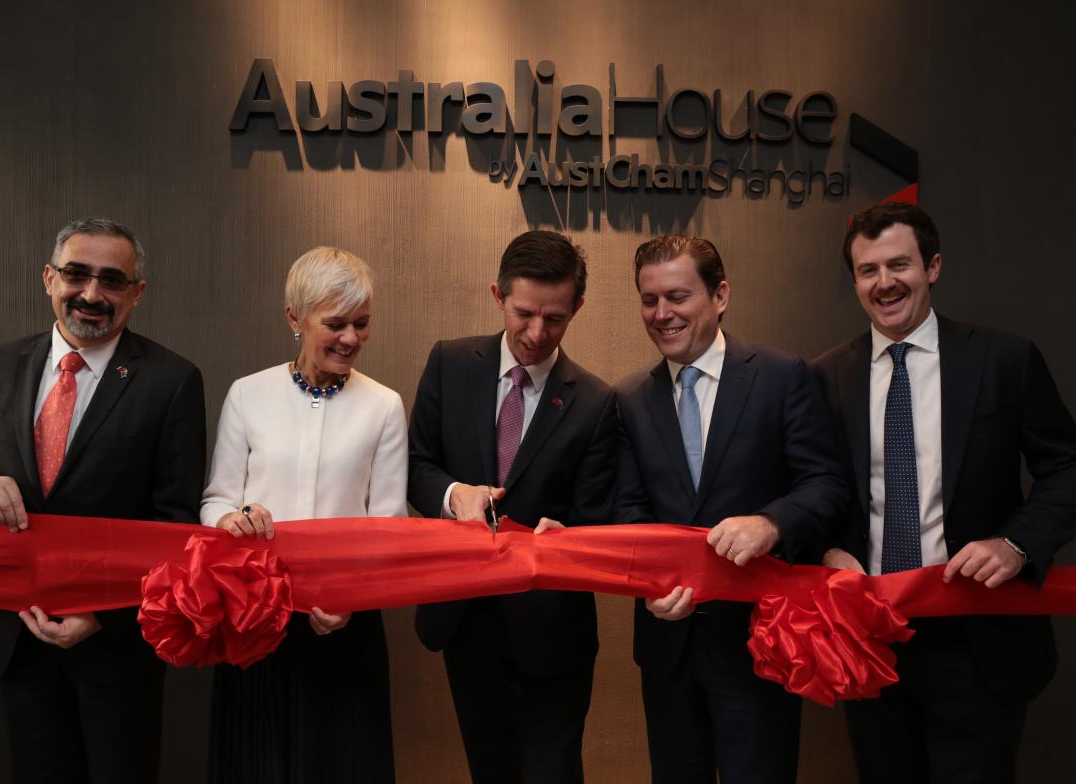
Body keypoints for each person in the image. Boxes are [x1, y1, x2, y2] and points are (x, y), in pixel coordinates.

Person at [812, 202, 1076, 783]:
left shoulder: (1004, 360)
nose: (884, 283)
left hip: (978, 641)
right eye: (867, 270)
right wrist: (828, 550)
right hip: (871, 639)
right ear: (855, 281)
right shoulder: (827, 376)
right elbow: (816, 489)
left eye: (899, 264)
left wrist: (1016, 543)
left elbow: (1066, 469)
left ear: (933, 266)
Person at [0, 216, 207, 784]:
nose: (91, 294)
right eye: (76, 274)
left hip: (117, 648)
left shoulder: (173, 380)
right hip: (20, 637)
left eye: (111, 281)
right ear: (48, 279)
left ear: (137, 293)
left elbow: (176, 523)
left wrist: (105, 616)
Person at [613, 234, 848, 784]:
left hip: (762, 642)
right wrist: (648, 584)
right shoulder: (629, 399)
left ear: (720, 295)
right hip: (668, 646)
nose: (662, 314)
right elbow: (627, 512)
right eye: (649, 300)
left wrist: (772, 523)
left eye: (678, 296)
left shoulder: (782, 375)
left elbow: (827, 484)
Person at [407, 230, 616, 784]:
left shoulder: (596, 401)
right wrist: (455, 496)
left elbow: (601, 513)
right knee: (491, 771)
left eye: (555, 318)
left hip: (553, 630)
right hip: (466, 618)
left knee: (553, 773)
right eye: (524, 313)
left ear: (577, 308)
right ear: (497, 295)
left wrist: (569, 534)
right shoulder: (450, 364)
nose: (536, 332)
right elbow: (417, 465)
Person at [200, 246, 406, 784]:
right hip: (253, 620)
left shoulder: (384, 405)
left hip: (345, 625)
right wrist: (233, 518)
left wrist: (350, 601)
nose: (351, 339)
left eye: (362, 324)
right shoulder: (247, 394)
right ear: (295, 318)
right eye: (335, 324)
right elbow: (215, 501)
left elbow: (387, 525)